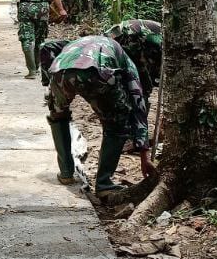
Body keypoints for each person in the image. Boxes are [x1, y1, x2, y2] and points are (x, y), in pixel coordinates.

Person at [44, 35, 155, 193]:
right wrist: (144, 153)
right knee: (117, 125)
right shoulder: (125, 59)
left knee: (58, 116)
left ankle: (66, 172)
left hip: (59, 71)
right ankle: (104, 183)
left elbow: (45, 47)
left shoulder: (76, 43)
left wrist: (46, 80)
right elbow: (138, 103)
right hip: (95, 71)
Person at [106, 18, 163, 106]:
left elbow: (139, 64)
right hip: (150, 43)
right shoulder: (119, 32)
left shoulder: (130, 35)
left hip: (161, 44)